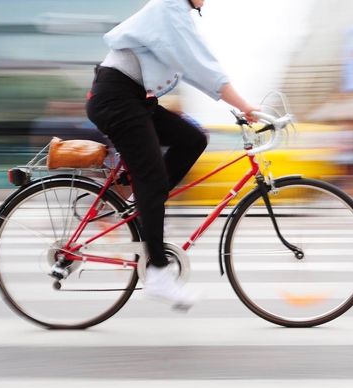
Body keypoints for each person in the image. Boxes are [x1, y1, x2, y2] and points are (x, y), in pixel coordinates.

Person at [86, 0, 259, 309]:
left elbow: (191, 67)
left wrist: (234, 104)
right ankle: (157, 273)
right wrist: (244, 105)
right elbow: (199, 63)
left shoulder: (178, 14)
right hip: (117, 97)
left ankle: (140, 203)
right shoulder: (169, 7)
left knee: (192, 139)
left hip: (133, 99)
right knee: (152, 179)